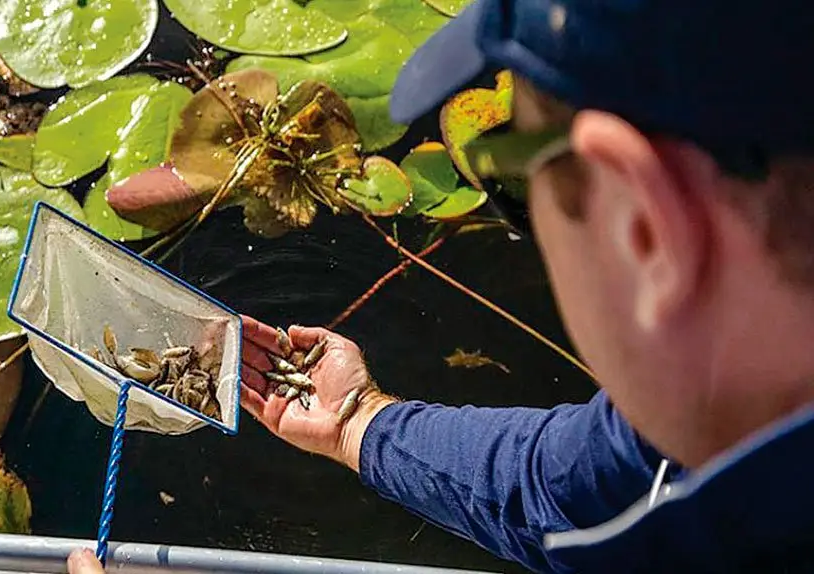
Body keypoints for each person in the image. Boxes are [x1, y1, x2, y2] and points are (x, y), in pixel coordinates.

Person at [68, 0, 814, 572]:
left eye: (510, 173)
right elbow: (565, 489)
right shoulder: (709, 424)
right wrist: (357, 422)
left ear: (643, 227)